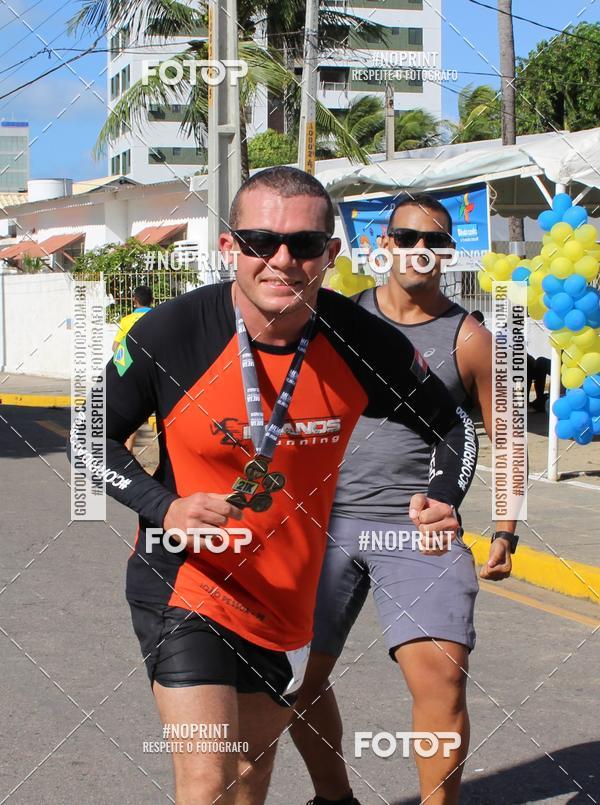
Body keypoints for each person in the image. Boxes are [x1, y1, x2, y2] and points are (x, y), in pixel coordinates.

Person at [92, 168, 477, 805]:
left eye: (302, 245)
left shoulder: (360, 341)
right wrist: (166, 506)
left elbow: (450, 422)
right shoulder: (170, 333)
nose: (281, 260)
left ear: (330, 253)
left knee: (248, 783)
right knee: (206, 780)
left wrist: (443, 495)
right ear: (228, 247)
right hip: (188, 585)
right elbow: (89, 438)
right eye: (259, 241)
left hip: (285, 599)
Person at [290, 195, 518, 805]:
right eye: (408, 237)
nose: (421, 250)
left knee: (442, 678)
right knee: (292, 678)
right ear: (384, 244)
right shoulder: (335, 320)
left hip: (418, 529)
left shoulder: (470, 338)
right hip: (322, 524)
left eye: (435, 241)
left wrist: (506, 527)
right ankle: (333, 798)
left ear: (448, 252)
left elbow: (507, 432)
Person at [112, 285, 154, 451]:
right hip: (154, 371)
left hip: (133, 373)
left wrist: (125, 366)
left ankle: (128, 451)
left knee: (134, 413)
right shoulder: (158, 316)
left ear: (134, 301)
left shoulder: (127, 320)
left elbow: (115, 347)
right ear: (151, 301)